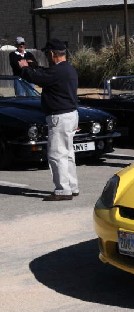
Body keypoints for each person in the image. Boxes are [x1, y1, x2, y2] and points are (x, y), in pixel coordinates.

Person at [19, 38, 79, 200]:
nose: (47, 57)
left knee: (56, 154)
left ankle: (62, 189)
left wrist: (25, 68)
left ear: (53, 54)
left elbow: (37, 78)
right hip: (70, 114)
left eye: (47, 54)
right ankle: (72, 186)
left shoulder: (57, 71)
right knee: (68, 154)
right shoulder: (68, 69)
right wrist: (34, 66)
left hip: (59, 116)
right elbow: (44, 74)